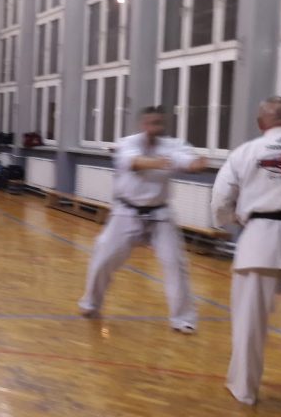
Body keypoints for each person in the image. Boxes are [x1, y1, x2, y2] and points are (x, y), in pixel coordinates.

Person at [79, 106, 208, 333]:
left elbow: (187, 160)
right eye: (151, 123)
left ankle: (183, 319)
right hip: (126, 212)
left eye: (159, 123)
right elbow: (134, 163)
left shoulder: (173, 145)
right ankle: (91, 303)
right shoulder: (128, 143)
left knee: (175, 263)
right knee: (103, 257)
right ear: (143, 124)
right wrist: (161, 162)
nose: (155, 127)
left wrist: (195, 164)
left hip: (160, 214)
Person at [211, 96, 281, 405]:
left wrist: (230, 220)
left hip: (259, 239)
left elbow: (221, 198)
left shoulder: (246, 151)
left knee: (249, 322)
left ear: (261, 123)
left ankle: (244, 389)